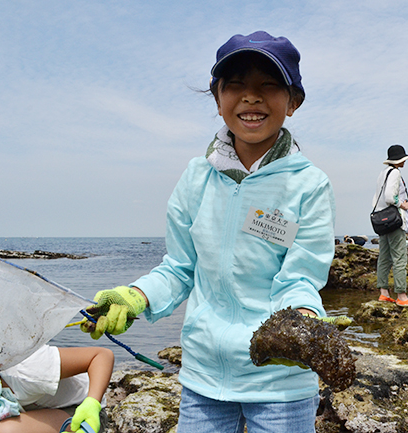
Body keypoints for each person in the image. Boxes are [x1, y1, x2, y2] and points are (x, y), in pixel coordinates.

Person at [79, 32, 337, 433]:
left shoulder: (309, 185)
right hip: (202, 379)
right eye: (235, 85)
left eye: (269, 85)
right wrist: (137, 296)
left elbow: (300, 278)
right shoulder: (195, 178)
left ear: (293, 101)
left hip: (279, 382)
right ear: (218, 99)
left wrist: (302, 324)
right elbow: (180, 268)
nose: (251, 97)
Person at [0, 291, 114, 433]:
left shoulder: (24, 369)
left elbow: (100, 356)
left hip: (79, 412)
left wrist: (92, 404)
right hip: (27, 414)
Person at [373, 144, 408, 307]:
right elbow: (389, 197)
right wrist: (403, 205)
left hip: (382, 221)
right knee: (400, 258)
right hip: (394, 221)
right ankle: (401, 296)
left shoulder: (383, 173)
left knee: (384, 258)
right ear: (399, 160)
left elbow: (378, 198)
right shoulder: (395, 173)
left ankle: (384, 293)